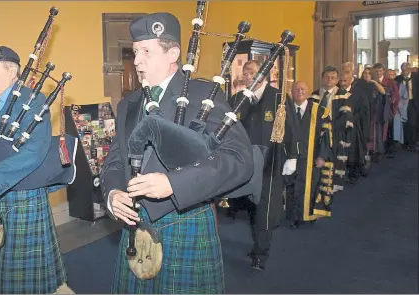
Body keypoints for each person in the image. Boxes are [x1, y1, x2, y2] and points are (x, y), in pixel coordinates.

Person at [100, 12, 253, 294]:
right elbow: (115, 161)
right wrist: (112, 194)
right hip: (135, 226)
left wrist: (174, 183)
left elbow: (239, 159)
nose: (136, 61)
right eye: (134, 52)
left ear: (173, 54)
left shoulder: (203, 95)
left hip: (186, 222)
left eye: (146, 51)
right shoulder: (128, 104)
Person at [0, 45, 72, 294]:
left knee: (30, 276)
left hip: (25, 197)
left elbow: (33, 153)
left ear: (12, 73)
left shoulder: (34, 101)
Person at [226, 59, 297, 271]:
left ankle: (261, 253)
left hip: (270, 162)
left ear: (264, 75)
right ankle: (258, 241)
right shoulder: (238, 99)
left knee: (265, 207)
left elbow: (291, 127)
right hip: (245, 163)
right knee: (250, 206)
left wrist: (292, 156)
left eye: (253, 73)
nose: (249, 77)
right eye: (246, 73)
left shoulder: (279, 99)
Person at [285, 81, 334, 226]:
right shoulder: (286, 111)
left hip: (311, 156)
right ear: (291, 93)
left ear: (307, 92)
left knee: (310, 186)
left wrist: (322, 156)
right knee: (291, 185)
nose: (299, 92)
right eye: (296, 89)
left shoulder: (319, 111)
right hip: (291, 157)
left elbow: (327, 135)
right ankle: (293, 216)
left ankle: (308, 216)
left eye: (302, 89)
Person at [309, 66, 353, 192]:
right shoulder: (315, 95)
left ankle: (331, 188)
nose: (329, 79)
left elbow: (345, 117)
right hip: (317, 134)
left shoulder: (344, 96)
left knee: (333, 161)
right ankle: (317, 187)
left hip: (335, 133)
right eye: (327, 77)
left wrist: (330, 128)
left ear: (337, 79)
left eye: (333, 77)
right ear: (322, 78)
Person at [338, 70, 370, 184]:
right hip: (339, 127)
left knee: (354, 151)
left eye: (345, 81)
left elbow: (363, 112)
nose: (342, 83)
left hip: (354, 128)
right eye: (340, 80)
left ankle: (353, 174)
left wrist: (351, 120)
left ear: (351, 80)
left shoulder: (358, 93)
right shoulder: (336, 92)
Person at [395, 62, 419, 152]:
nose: (404, 72)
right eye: (402, 70)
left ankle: (413, 142)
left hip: (413, 102)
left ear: (409, 69)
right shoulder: (398, 79)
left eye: (405, 70)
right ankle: (405, 141)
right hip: (402, 103)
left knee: (412, 123)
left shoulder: (416, 77)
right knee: (404, 121)